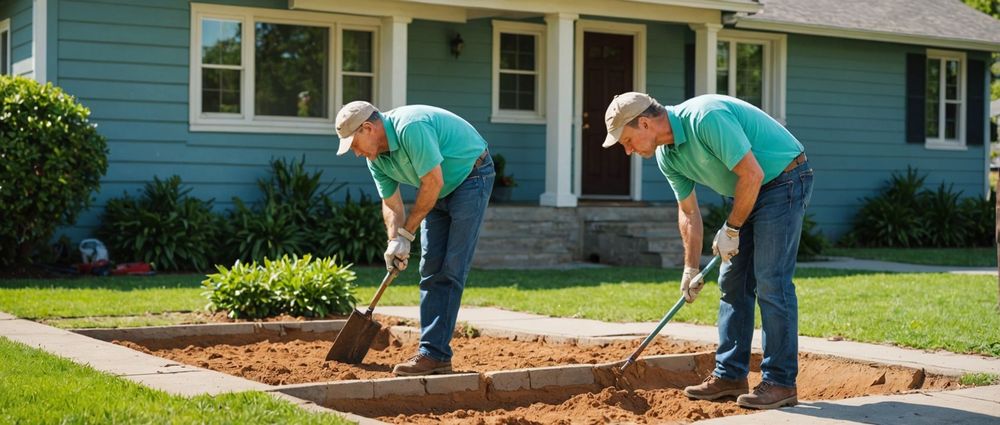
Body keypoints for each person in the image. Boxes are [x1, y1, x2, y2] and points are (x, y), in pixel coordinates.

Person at [602, 92, 813, 410]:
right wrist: (690, 267)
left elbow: (753, 174)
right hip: (748, 187)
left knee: (771, 280)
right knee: (732, 283)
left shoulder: (706, 117)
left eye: (627, 141)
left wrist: (731, 229)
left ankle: (781, 383)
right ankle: (730, 375)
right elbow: (688, 212)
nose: (628, 150)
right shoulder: (668, 156)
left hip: (783, 179)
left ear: (644, 123)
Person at [334, 100, 494, 376]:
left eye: (354, 145)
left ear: (368, 128)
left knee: (451, 267)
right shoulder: (377, 159)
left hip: (471, 175)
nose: (356, 153)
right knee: (429, 267)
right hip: (438, 187)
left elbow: (433, 182)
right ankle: (434, 355)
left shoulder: (411, 127)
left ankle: (434, 354)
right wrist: (394, 241)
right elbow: (392, 204)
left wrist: (407, 234)